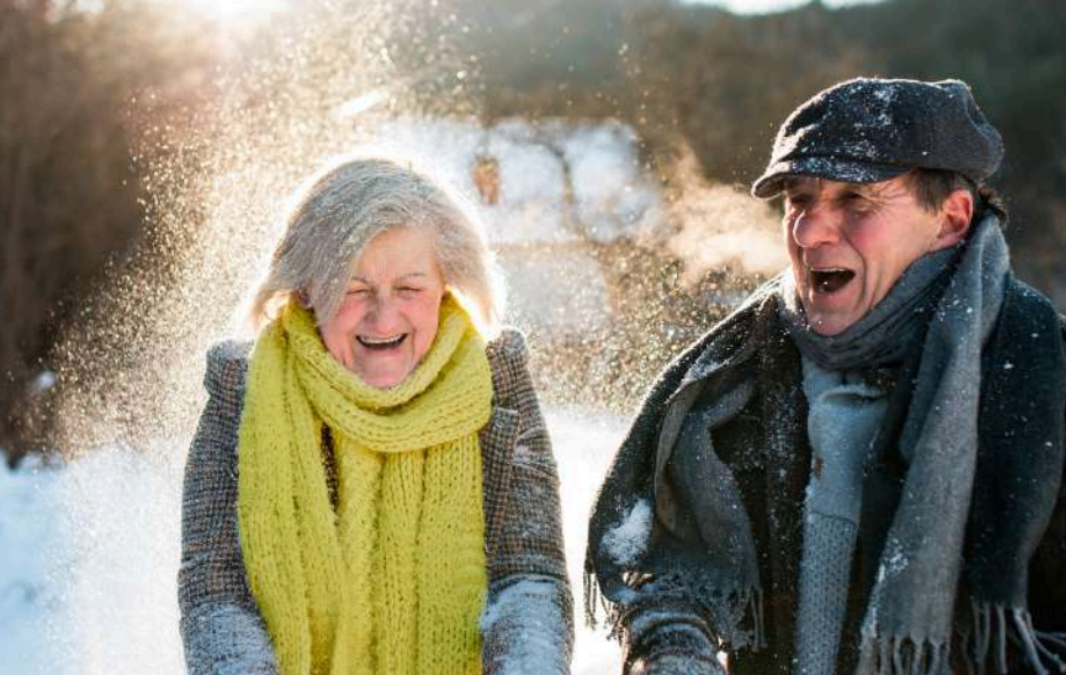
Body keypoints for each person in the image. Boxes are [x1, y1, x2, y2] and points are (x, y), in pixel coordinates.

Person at [586, 78, 1066, 674]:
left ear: (950, 219)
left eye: (856, 201)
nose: (810, 231)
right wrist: (678, 651)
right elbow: (671, 571)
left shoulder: (1043, 371)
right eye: (799, 199)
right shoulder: (744, 372)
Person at [178, 157, 572, 675]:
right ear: (306, 290)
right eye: (353, 289)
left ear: (445, 285)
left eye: (409, 289)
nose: (383, 316)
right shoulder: (243, 395)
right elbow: (216, 592)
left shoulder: (496, 385)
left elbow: (530, 576)